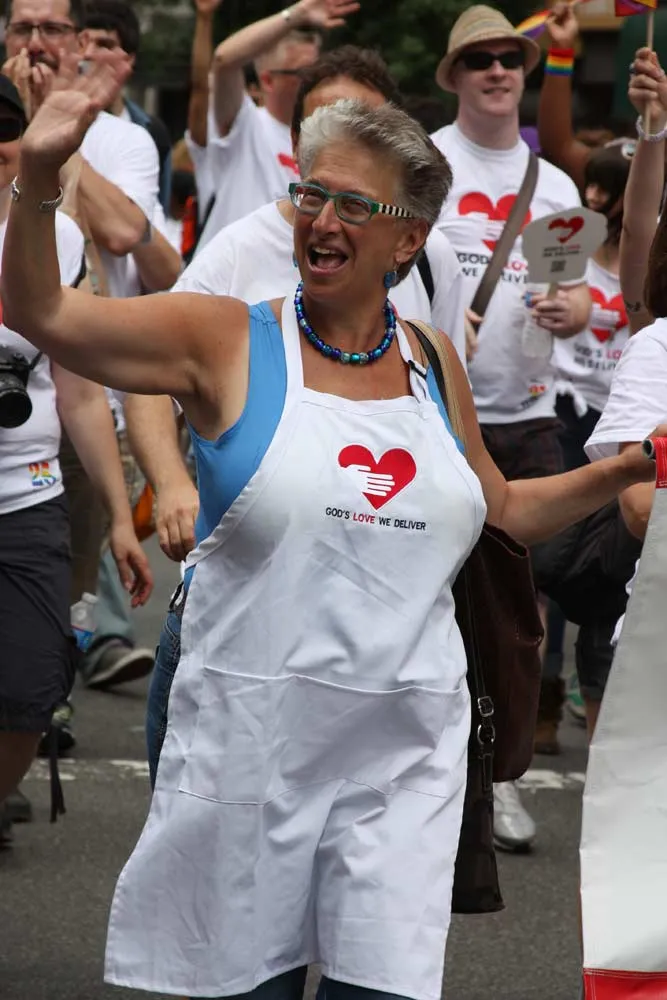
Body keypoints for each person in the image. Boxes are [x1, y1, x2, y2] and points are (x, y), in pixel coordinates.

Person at [2, 62, 660, 997]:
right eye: (311, 196)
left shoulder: (432, 359)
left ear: (408, 239)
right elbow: (45, 313)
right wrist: (36, 176)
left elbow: (501, 510)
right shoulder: (224, 337)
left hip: (401, 763)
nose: (321, 221)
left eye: (354, 205)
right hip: (251, 754)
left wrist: (625, 469)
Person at [123, 44, 468, 785]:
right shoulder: (241, 251)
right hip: (245, 629)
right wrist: (172, 483)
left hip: (380, 649)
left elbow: (455, 445)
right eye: (328, 131)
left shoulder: (430, 267)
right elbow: (146, 374)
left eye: (368, 128)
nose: (350, 149)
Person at [430, 4, 591, 850]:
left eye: (508, 59)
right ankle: (430, 763)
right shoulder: (423, 164)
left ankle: (502, 777)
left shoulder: (553, 184)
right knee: (430, 594)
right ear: (454, 75)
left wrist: (572, 312)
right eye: (480, 59)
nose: (497, 70)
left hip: (528, 417)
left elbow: (573, 294)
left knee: (520, 610)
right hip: (434, 411)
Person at [0, 74, 152, 843]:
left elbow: (83, 392)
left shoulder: (57, 239)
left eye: (6, 135)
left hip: (28, 496)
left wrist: (121, 517)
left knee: (31, 692)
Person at [537, 5, 635, 740]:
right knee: (543, 569)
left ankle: (599, 720)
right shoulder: (568, 241)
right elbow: (557, 140)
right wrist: (562, 59)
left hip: (625, 430)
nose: (596, 198)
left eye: (611, 189)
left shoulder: (652, 267)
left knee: (607, 580)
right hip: (563, 421)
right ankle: (537, 712)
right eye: (591, 186)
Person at [195, 0, 359, 250]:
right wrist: (299, 13)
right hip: (234, 271)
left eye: (318, 73)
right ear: (268, 80)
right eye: (303, 73)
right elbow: (224, 59)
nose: (314, 82)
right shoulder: (245, 124)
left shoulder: (328, 141)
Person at [80, 0, 172, 213]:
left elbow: (156, 218)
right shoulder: (53, 121)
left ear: (128, 59)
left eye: (104, 44)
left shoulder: (152, 132)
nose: (88, 54)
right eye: (82, 43)